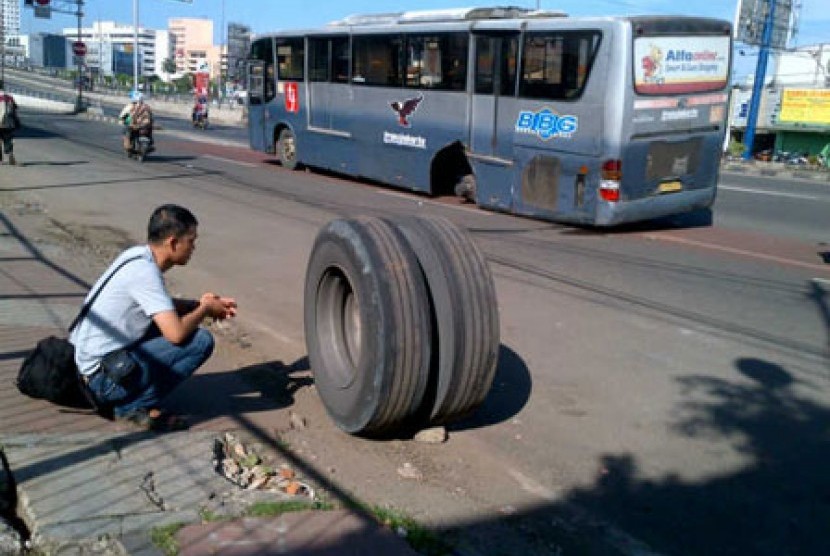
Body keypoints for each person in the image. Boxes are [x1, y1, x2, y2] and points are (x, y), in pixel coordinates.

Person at [70, 204, 237, 430]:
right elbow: (176, 334)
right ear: (173, 242)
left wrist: (197, 304)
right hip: (101, 379)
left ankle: (129, 395)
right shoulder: (145, 273)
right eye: (191, 241)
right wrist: (205, 309)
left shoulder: (137, 256)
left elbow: (158, 305)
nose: (193, 247)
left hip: (87, 366)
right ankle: (131, 406)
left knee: (172, 325)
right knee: (200, 341)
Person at [0, 80, 20, 166]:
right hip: (8, 123)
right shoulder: (8, 97)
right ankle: (11, 156)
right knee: (8, 140)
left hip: (1, 121)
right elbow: (15, 107)